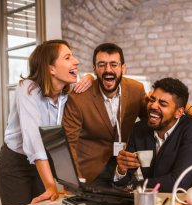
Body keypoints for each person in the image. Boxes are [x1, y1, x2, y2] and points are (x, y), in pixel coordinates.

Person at [0, 39, 90, 205]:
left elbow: (56, 142)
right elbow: (35, 142)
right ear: (50, 67)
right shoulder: (27, 89)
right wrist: (51, 185)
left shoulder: (66, 94)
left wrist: (91, 78)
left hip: (41, 164)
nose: (76, 61)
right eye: (68, 57)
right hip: (15, 165)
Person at [63, 43, 147, 184]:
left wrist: (145, 162)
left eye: (114, 64)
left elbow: (150, 124)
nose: (108, 70)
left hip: (125, 171)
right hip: (90, 172)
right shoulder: (78, 98)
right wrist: (75, 182)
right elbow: (68, 143)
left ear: (123, 68)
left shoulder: (136, 90)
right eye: (101, 65)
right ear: (94, 69)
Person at [115, 77, 192, 192]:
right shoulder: (139, 129)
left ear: (179, 112)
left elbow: (179, 182)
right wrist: (121, 170)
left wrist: (135, 185)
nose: (153, 106)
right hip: (152, 202)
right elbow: (121, 182)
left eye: (162, 104)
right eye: (152, 100)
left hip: (185, 204)